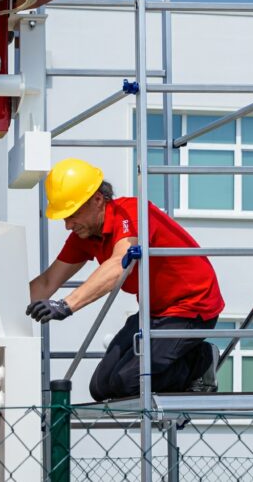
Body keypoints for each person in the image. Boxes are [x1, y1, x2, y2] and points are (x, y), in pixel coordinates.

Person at [27, 158, 224, 401]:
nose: (68, 225)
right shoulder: (86, 235)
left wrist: (65, 305)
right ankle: (182, 362)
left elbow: (119, 264)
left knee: (128, 382)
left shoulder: (131, 213)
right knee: (100, 388)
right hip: (155, 311)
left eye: (73, 214)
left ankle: (199, 362)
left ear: (98, 199)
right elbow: (48, 281)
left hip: (192, 307)